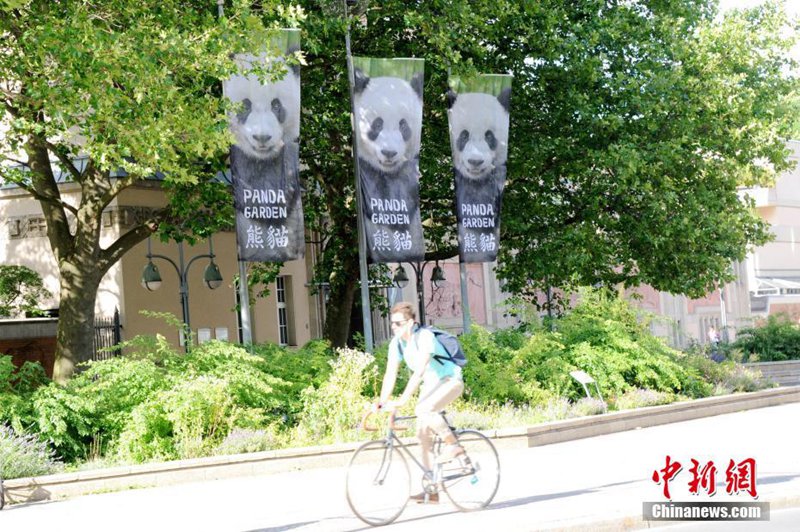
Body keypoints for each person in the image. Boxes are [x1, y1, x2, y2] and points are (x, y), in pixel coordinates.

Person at [376, 301, 465, 504]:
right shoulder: (396, 344)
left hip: (450, 380)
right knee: (422, 435)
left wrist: (403, 400)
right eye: (392, 324)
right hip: (431, 386)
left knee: (423, 409)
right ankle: (432, 489)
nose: (394, 327)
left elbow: (419, 372)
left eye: (398, 324)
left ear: (410, 323)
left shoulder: (424, 337)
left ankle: (453, 446)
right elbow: (390, 374)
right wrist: (382, 403)